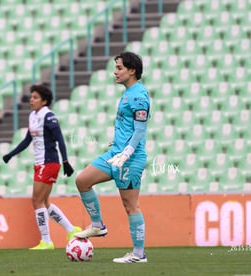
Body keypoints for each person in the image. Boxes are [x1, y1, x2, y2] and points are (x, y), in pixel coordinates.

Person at [74, 52, 150, 263]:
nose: (115, 72)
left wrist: (127, 152)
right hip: (115, 154)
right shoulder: (127, 93)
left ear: (132, 70)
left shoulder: (139, 95)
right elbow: (127, 127)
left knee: (130, 205)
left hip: (130, 158)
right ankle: (98, 225)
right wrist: (118, 145)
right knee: (82, 180)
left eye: (119, 68)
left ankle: (138, 254)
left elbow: (140, 130)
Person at [2, 84, 82, 250]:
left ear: (44, 101)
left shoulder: (49, 116)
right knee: (44, 202)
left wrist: (66, 161)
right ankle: (71, 229)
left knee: (36, 201)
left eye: (35, 97)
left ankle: (46, 241)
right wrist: (11, 154)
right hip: (40, 164)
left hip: (49, 162)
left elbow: (60, 140)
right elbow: (27, 140)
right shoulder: (32, 116)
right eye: (31, 97)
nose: (31, 100)